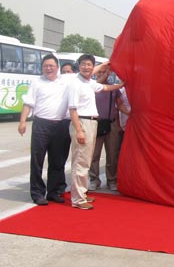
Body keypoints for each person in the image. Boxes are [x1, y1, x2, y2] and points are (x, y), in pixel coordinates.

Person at [68, 54, 123, 210]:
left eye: (89, 65)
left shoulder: (89, 83)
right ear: (79, 66)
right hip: (82, 122)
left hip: (92, 123)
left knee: (85, 160)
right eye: (84, 64)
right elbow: (72, 109)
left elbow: (105, 87)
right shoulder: (75, 84)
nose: (87, 67)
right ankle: (78, 199)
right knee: (80, 161)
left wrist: (121, 85)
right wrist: (79, 130)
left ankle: (82, 193)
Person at [18, 54, 72, 205]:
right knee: (37, 160)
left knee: (57, 161)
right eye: (45, 66)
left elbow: (88, 75)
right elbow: (28, 103)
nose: (48, 69)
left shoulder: (66, 81)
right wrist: (22, 121)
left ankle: (54, 192)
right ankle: (37, 193)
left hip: (61, 125)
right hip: (41, 125)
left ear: (57, 67)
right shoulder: (37, 82)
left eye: (51, 66)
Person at [88, 67, 129, 191]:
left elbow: (120, 104)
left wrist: (130, 114)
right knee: (94, 154)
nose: (102, 74)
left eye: (104, 72)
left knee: (112, 154)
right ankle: (94, 179)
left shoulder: (114, 88)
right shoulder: (91, 87)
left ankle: (112, 180)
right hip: (95, 124)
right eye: (100, 72)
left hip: (111, 124)